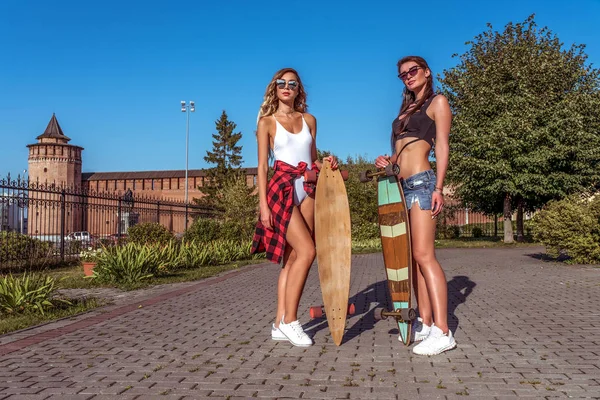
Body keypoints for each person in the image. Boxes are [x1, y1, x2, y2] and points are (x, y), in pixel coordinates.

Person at [374, 56, 456, 355]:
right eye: (403, 74)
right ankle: (424, 321)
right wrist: (387, 161)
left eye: (413, 71)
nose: (408, 76)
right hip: (399, 186)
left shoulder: (438, 102)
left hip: (422, 183)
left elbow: (443, 144)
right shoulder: (404, 110)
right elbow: (399, 152)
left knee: (424, 255)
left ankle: (443, 331)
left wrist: (439, 187)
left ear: (426, 72)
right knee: (412, 258)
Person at [251, 67, 337, 347]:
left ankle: (278, 323)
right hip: (282, 189)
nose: (286, 87)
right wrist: (263, 205)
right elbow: (263, 166)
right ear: (274, 88)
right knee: (307, 251)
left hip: (308, 190)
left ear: (299, 90)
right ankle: (291, 320)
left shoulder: (309, 120)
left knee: (292, 258)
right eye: (281, 83)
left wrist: (328, 162)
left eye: (292, 84)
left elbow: (312, 161)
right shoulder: (266, 122)